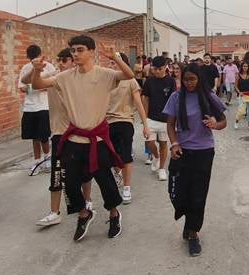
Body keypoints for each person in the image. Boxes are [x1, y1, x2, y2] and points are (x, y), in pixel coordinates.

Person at [30, 35, 134, 243]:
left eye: (80, 50)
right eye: (73, 50)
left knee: (105, 182)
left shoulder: (104, 74)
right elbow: (38, 84)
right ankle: (84, 214)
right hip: (74, 139)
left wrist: (115, 56)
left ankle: (114, 214)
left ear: (91, 52)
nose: (75, 54)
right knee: (70, 184)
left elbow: (128, 74)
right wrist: (36, 70)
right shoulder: (65, 77)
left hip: (97, 140)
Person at [165, 62, 227, 257]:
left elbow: (223, 121)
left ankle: (193, 233)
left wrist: (215, 124)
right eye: (185, 79)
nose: (189, 83)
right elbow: (170, 124)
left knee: (198, 194)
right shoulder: (176, 97)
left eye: (192, 79)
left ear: (199, 79)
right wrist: (174, 144)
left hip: (203, 152)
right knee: (177, 192)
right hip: (182, 151)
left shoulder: (208, 96)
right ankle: (188, 220)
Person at [34, 48, 78, 227]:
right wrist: (36, 69)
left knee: (82, 174)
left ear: (73, 62)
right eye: (59, 60)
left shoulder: (81, 80)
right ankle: (54, 212)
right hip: (59, 133)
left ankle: (87, 203)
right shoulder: (54, 78)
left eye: (64, 60)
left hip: (79, 133)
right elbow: (33, 83)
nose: (61, 63)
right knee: (57, 174)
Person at [106, 52, 151, 205]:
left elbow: (139, 104)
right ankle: (117, 173)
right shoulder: (106, 80)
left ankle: (126, 188)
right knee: (110, 156)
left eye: (115, 62)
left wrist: (145, 125)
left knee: (125, 156)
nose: (112, 65)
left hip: (125, 121)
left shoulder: (131, 81)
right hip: (106, 123)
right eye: (111, 62)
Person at [17, 45, 55, 174]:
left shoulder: (49, 67)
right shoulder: (26, 68)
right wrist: (35, 87)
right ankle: (37, 161)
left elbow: (52, 85)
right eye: (31, 58)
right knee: (34, 137)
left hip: (44, 106)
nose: (33, 60)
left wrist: (40, 87)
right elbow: (21, 87)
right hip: (30, 107)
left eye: (36, 57)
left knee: (44, 136)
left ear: (40, 55)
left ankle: (47, 158)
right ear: (28, 57)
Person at [141, 56, 175, 182]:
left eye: (159, 69)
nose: (157, 71)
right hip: (151, 117)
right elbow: (145, 99)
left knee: (163, 144)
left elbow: (173, 100)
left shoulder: (171, 81)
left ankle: (161, 169)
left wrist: (173, 118)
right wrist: (144, 118)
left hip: (166, 119)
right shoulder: (149, 81)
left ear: (165, 67)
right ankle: (156, 157)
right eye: (154, 69)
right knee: (150, 142)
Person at [234, 61, 249, 130]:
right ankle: (236, 121)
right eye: (244, 66)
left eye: (246, 66)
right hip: (242, 95)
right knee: (242, 111)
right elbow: (235, 86)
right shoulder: (238, 76)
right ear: (241, 67)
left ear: (248, 67)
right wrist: (239, 92)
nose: (245, 67)